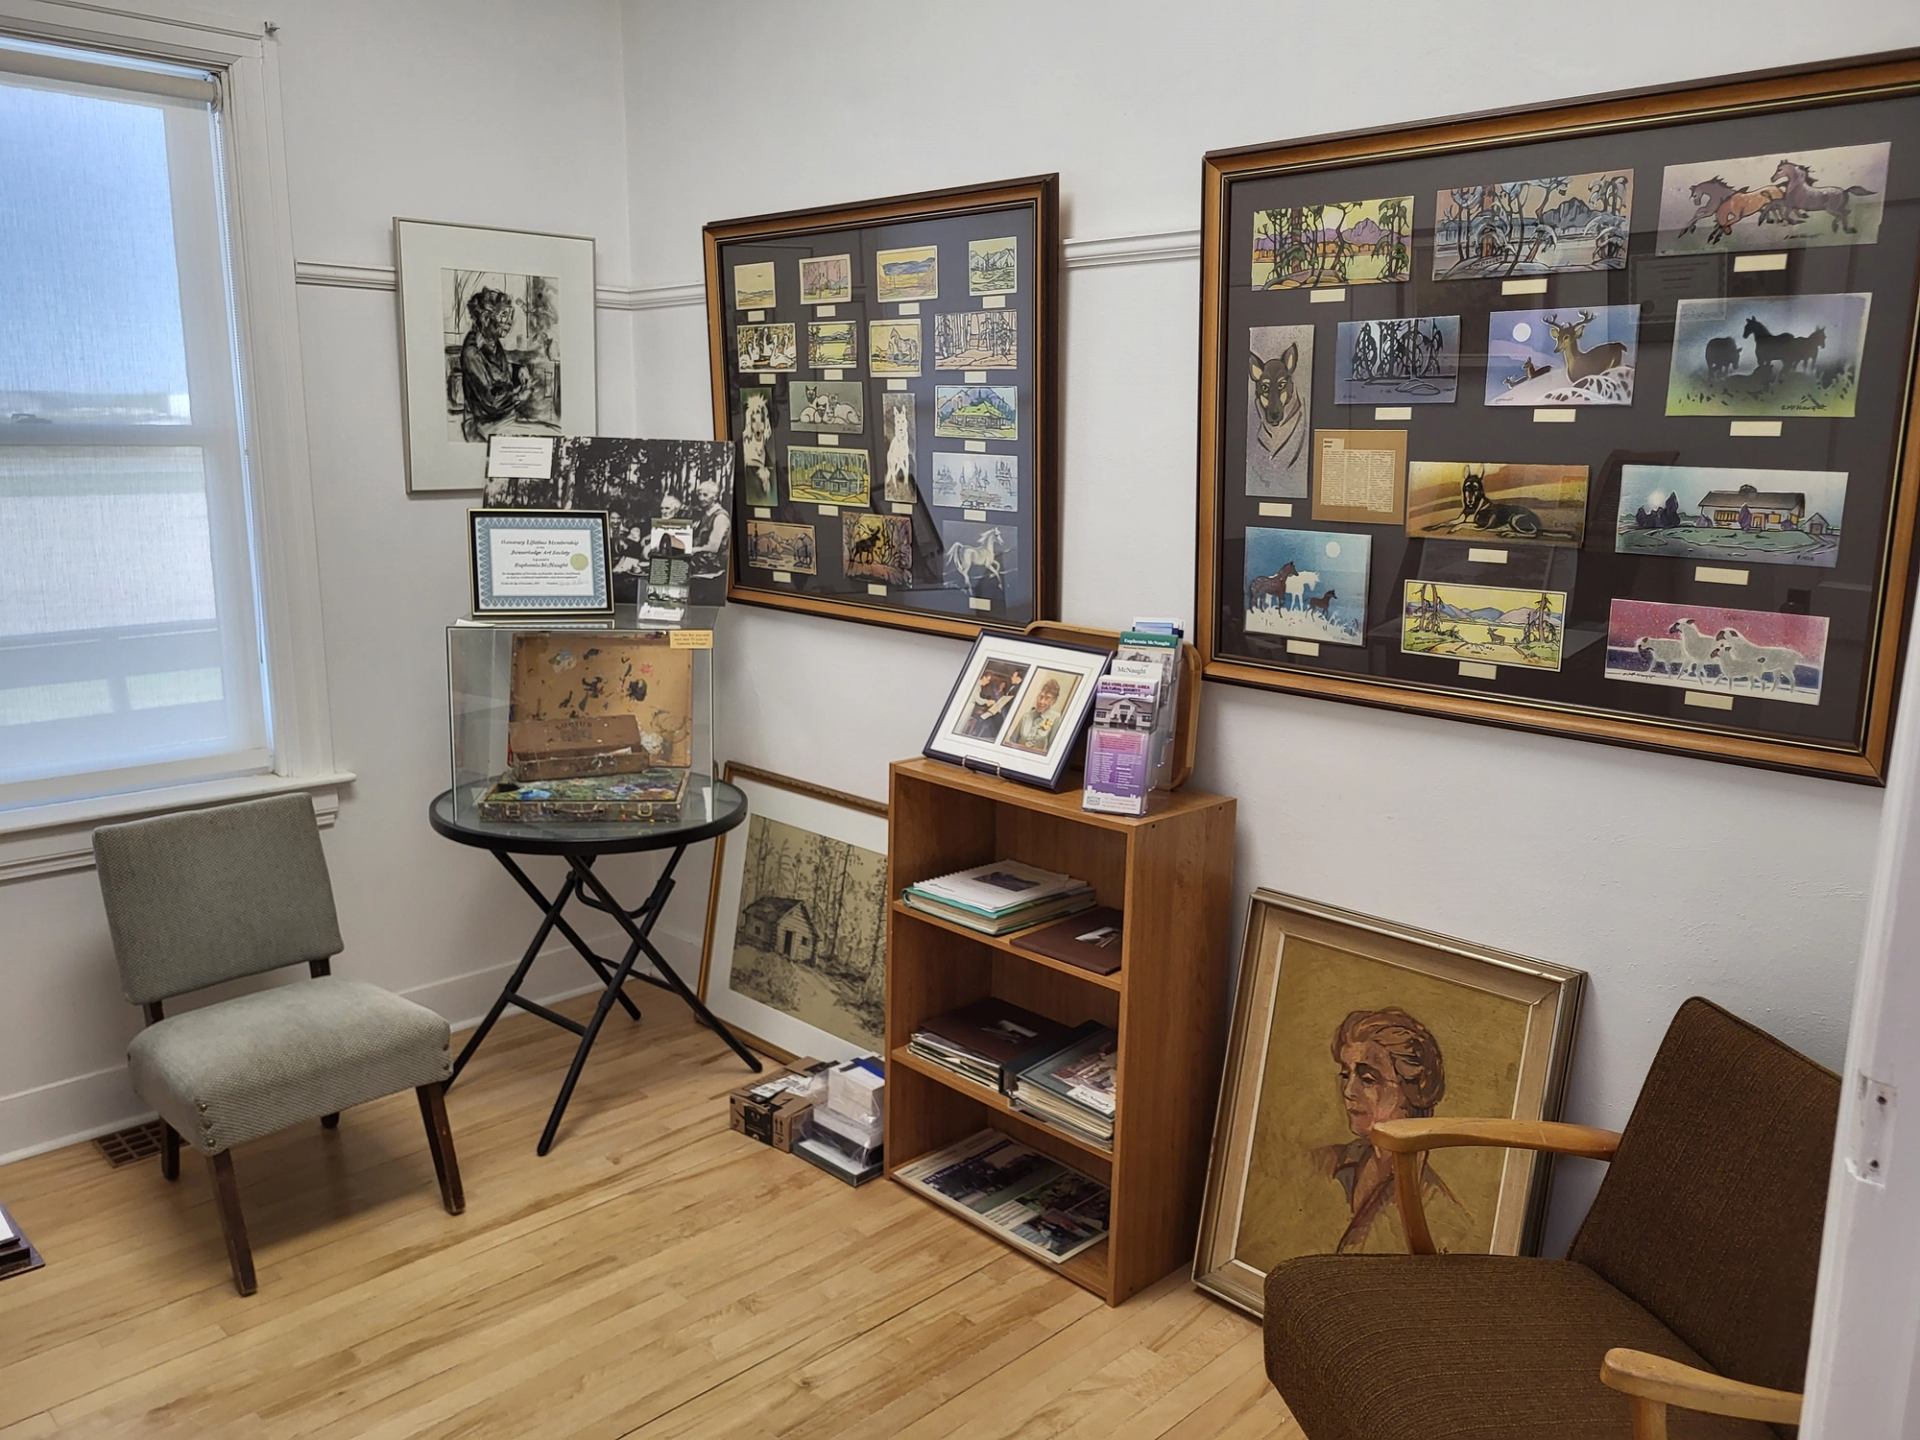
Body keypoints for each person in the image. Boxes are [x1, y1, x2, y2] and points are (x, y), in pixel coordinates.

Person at [1309, 1008, 1468, 1252]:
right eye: (1345, 1074)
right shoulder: (1323, 1164)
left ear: (1414, 1092)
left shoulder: (1441, 1214)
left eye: (1368, 1079)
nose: (1348, 1091)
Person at [456, 287, 529, 443]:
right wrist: (517, 396)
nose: (509, 321)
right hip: (484, 423)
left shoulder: (492, 342)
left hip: (503, 418)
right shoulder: (472, 352)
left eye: (510, 315)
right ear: (486, 318)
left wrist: (518, 370)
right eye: (504, 315)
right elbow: (491, 401)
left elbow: (496, 369)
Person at [1005, 676, 1064, 753]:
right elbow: (1012, 741)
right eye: (1041, 696)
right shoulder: (1026, 716)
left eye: (1047, 698)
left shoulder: (1056, 718)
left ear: (1053, 701)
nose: (1041, 701)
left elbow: (1052, 749)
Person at [688, 480, 731, 583]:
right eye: (699, 495)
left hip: (713, 561)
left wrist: (690, 550)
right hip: (700, 557)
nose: (701, 498)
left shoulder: (720, 517)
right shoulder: (704, 514)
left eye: (705, 495)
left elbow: (713, 547)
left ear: (715, 497)